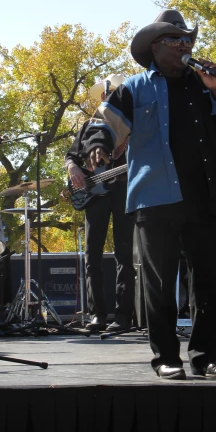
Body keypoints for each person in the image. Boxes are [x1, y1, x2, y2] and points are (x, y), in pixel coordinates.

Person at [79, 9, 216, 379]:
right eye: (176, 40)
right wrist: (98, 145)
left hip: (203, 197)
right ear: (156, 47)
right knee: (158, 284)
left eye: (189, 39)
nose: (185, 46)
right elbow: (103, 124)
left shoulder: (206, 85)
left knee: (206, 282)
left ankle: (205, 356)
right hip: (155, 201)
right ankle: (166, 358)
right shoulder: (135, 88)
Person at [65, 74, 136, 332]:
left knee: (124, 254)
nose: (111, 99)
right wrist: (73, 168)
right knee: (91, 255)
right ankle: (97, 315)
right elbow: (71, 155)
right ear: (104, 97)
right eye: (109, 95)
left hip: (124, 194)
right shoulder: (88, 126)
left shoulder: (134, 128)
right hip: (94, 196)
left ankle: (123, 316)